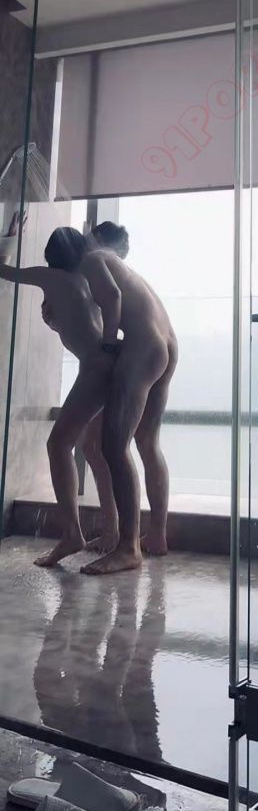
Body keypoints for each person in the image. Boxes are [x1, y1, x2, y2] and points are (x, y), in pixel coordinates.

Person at [0, 226, 115, 567]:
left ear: (51, 255)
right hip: (107, 367)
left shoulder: (50, 276)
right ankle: (112, 531)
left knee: (58, 445)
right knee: (95, 450)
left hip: (94, 370)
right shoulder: (85, 281)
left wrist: (10, 235)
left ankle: (72, 534)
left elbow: (4, 270)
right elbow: (79, 324)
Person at [77, 236, 177, 576]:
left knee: (112, 447)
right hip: (166, 344)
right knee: (148, 443)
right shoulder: (131, 274)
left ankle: (128, 547)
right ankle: (157, 535)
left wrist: (107, 346)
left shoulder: (94, 259)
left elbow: (110, 306)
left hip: (142, 348)